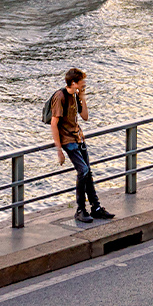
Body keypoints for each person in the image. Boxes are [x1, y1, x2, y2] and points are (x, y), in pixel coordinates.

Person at [50, 67, 114, 224]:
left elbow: (85, 116)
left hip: (79, 138)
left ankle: (96, 208)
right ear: (73, 82)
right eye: (82, 81)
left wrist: (82, 97)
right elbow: (54, 123)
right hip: (68, 141)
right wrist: (59, 150)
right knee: (83, 170)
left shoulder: (75, 96)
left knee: (88, 172)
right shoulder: (61, 96)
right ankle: (80, 210)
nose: (84, 83)